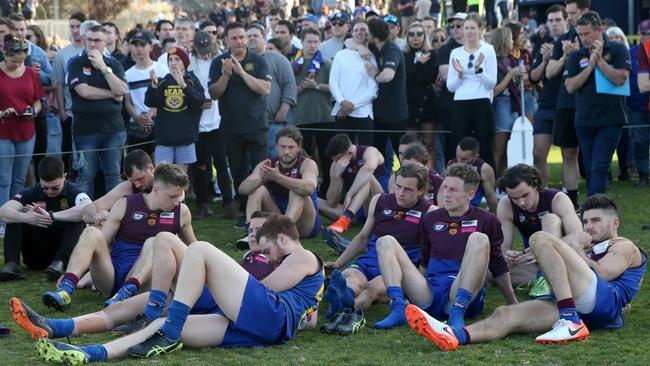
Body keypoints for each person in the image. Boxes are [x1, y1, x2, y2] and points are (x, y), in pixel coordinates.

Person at [33, 215, 324, 362]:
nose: (268, 257)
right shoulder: (297, 266)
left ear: (283, 239)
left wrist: (218, 282)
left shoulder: (304, 256)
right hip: (257, 327)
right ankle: (90, 354)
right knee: (160, 324)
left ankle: (169, 325)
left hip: (269, 316)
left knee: (200, 249)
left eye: (269, 249)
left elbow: (267, 289)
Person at [406, 194, 646, 349]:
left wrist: (575, 246)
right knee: (504, 314)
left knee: (541, 237)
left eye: (596, 221)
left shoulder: (624, 246)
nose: (589, 226)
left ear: (615, 223)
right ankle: (455, 335)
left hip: (599, 304)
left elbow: (601, 274)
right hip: (568, 303)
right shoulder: (589, 245)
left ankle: (570, 320)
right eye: (585, 221)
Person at [10, 211, 275, 341]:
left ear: (277, 237)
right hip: (189, 292)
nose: (253, 233)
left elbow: (282, 300)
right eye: (250, 229)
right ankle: (55, 326)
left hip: (213, 304)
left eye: (259, 230)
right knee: (117, 311)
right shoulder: (247, 257)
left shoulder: (278, 261)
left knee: (164, 239)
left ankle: (153, 311)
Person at [372, 163, 516, 329]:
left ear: (470, 194)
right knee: (385, 241)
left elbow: (497, 264)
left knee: (478, 239)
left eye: (453, 190)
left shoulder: (487, 219)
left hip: (461, 291)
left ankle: (458, 312)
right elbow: (424, 260)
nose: (446, 194)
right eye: (445, 187)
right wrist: (411, 293)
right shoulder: (430, 218)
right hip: (431, 292)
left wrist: (513, 302)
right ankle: (397, 309)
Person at [40, 164, 196, 311]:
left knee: (156, 241)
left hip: (145, 282)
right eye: (172, 196)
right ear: (156, 189)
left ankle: (125, 294)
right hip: (111, 278)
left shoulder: (182, 212)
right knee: (92, 233)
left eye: (180, 196)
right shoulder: (125, 204)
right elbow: (101, 242)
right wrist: (80, 273)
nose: (177, 201)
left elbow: (195, 250)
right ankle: (65, 290)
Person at [322, 164, 433, 334]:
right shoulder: (379, 200)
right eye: (398, 186)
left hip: (394, 270)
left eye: (408, 189)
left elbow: (431, 252)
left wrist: (420, 280)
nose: (401, 192)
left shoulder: (429, 212)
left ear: (421, 191)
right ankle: (342, 297)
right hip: (368, 261)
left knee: (369, 290)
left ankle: (344, 312)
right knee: (349, 278)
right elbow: (363, 237)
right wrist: (338, 263)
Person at [209, 22, 272, 223]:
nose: (239, 42)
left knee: (260, 171)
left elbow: (265, 89)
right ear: (226, 40)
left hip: (256, 126)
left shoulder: (258, 61)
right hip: (231, 128)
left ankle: (262, 212)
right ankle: (245, 212)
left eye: (242, 37)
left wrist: (242, 73)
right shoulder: (218, 62)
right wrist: (226, 75)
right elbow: (214, 94)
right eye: (235, 38)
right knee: (238, 173)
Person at [565, 12, 630, 197]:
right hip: (584, 120)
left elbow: (620, 79)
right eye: (580, 34)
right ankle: (596, 206)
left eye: (587, 33)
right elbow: (570, 86)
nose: (583, 38)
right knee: (589, 165)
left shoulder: (618, 49)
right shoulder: (576, 56)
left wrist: (599, 61)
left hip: (611, 118)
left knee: (599, 165)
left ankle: (593, 207)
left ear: (599, 30)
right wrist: (590, 67)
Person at [0, 157, 90, 281]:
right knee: (13, 217)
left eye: (55, 188)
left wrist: (52, 216)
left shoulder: (75, 192)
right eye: (45, 187)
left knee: (77, 219)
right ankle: (12, 264)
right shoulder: (32, 192)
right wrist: (26, 217)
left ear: (64, 176)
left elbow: (87, 209)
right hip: (36, 255)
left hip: (63, 252)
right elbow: (3, 211)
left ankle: (60, 264)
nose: (49, 191)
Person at [496, 164, 582, 293]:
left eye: (525, 195)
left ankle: (549, 279)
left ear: (536, 185)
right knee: (491, 270)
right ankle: (548, 280)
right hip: (532, 259)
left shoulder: (557, 199)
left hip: (563, 256)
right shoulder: (505, 204)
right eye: (514, 198)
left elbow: (578, 236)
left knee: (550, 219)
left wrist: (543, 249)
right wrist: (509, 255)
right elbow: (503, 247)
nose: (521, 202)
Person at [67, 24, 128, 198]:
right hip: (86, 131)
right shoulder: (76, 63)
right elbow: (83, 91)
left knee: (113, 176)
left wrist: (103, 67)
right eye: (89, 39)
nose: (93, 44)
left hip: (113, 130)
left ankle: (114, 218)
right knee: (86, 177)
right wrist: (112, 93)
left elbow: (122, 91)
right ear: (85, 40)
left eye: (97, 40)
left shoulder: (113, 64)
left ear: (106, 42)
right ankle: (84, 219)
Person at [546, 0, 591, 208]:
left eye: (573, 13)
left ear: (585, 11)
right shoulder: (563, 40)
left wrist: (581, 51)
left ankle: (594, 198)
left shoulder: (594, 37)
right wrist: (565, 55)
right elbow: (549, 72)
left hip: (590, 102)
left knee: (591, 153)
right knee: (568, 153)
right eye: (569, 13)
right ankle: (572, 202)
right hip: (565, 102)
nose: (570, 16)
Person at [239, 126, 321, 239]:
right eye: (283, 147)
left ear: (298, 147)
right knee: (257, 189)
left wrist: (278, 178)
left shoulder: (308, 164)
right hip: (278, 215)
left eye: (291, 147)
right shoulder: (267, 164)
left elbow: (309, 188)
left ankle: (283, 231)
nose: (286, 151)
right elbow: (242, 189)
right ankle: (251, 233)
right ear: (276, 147)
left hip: (305, 223)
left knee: (298, 190)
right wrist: (262, 179)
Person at [188, 30, 236, 219]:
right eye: (201, 49)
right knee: (200, 165)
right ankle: (203, 203)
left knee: (222, 164)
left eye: (207, 48)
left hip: (217, 121)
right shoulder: (190, 64)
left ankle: (228, 203)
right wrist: (197, 101)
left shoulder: (220, 60)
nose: (204, 52)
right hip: (197, 122)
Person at [0, 35, 44, 232]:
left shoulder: (29, 73)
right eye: (13, 61)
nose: (17, 65)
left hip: (27, 132)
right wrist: (2, 113)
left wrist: (32, 111)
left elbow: (38, 100)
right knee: (3, 179)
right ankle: (2, 220)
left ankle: (16, 219)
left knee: (20, 178)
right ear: (4, 54)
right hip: (4, 132)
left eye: (21, 61)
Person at [446, 13, 497, 170]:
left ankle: (489, 186)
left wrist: (478, 70)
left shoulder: (488, 50)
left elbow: (491, 83)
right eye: (466, 28)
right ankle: (460, 183)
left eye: (472, 28)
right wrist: (460, 74)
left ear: (479, 29)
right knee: (460, 146)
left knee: (485, 146)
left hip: (482, 102)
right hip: (461, 103)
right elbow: (451, 86)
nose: (469, 31)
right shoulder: (456, 53)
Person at [291, 27, 335, 199]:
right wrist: (302, 88)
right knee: (304, 158)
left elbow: (335, 89)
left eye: (316, 42)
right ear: (301, 42)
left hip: (325, 117)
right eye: (309, 41)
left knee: (327, 158)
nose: (313, 45)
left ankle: (326, 193)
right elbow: (289, 92)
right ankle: (305, 191)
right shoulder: (294, 65)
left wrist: (315, 85)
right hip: (301, 118)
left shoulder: (327, 63)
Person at [145, 45, 205, 172]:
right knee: (163, 175)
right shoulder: (162, 82)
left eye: (177, 59)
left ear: (185, 62)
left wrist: (183, 85)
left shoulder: (192, 81)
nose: (173, 63)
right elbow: (150, 102)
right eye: (170, 59)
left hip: (186, 138)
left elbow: (199, 101)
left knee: (181, 177)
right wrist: (153, 87)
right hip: (164, 138)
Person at [530, 5, 568, 185]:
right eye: (551, 21)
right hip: (546, 103)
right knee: (538, 153)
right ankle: (542, 194)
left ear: (566, 20)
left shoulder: (573, 41)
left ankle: (570, 193)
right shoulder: (543, 46)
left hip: (569, 101)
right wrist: (545, 60)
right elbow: (534, 77)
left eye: (558, 20)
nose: (554, 24)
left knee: (568, 153)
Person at [246, 23, 296, 158]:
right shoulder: (242, 60)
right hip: (248, 123)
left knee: (276, 158)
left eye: (255, 35)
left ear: (264, 38)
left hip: (274, 121)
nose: (252, 38)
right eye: (249, 36)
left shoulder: (278, 59)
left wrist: (283, 110)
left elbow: (289, 85)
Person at [320, 133, 387, 234]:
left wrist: (349, 194)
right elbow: (331, 203)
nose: (336, 162)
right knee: (314, 199)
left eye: (338, 159)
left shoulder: (370, 151)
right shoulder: (336, 164)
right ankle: (346, 218)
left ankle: (346, 219)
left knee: (368, 177)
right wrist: (336, 177)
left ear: (349, 154)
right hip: (357, 211)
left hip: (380, 206)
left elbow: (369, 168)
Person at [329, 19, 378, 146]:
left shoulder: (372, 56)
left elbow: (373, 89)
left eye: (363, 29)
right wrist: (342, 102)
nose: (359, 33)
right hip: (341, 113)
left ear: (369, 33)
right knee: (342, 154)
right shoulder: (340, 54)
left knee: (365, 154)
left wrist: (350, 106)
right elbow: (333, 82)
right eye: (356, 30)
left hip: (364, 114)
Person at [124, 30, 169, 158]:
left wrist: (150, 114)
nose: (139, 49)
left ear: (151, 46)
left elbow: (165, 96)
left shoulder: (161, 69)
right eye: (135, 45)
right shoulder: (128, 74)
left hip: (159, 124)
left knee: (160, 164)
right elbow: (128, 102)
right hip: (136, 127)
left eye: (142, 45)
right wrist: (138, 118)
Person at [81, 149, 154, 226]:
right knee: (96, 225)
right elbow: (88, 209)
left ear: (151, 169)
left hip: (157, 233)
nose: (137, 185)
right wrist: (100, 216)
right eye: (133, 181)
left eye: (140, 179)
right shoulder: (128, 186)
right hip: (131, 234)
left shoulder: (166, 183)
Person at [51, 12, 86, 171]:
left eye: (78, 26)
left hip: (91, 113)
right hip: (70, 113)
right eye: (72, 26)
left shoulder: (92, 51)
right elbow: (58, 84)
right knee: (71, 153)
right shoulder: (62, 54)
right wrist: (62, 110)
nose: (75, 30)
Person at [491, 26, 526, 178]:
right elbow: (495, 90)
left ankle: (503, 183)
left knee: (508, 149)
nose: (513, 41)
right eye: (511, 38)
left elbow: (512, 85)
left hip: (513, 104)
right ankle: (493, 185)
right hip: (501, 105)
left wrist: (518, 79)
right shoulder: (493, 61)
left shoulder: (511, 59)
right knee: (498, 149)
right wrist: (511, 74)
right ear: (504, 40)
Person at [403, 21, 438, 164]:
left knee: (429, 144)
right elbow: (406, 78)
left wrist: (416, 69)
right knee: (410, 146)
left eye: (419, 34)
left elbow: (430, 78)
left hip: (427, 104)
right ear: (407, 37)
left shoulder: (432, 53)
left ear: (424, 36)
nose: (415, 37)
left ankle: (431, 179)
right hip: (409, 104)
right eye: (411, 34)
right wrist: (419, 64)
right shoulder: (403, 54)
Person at [436, 12, 465, 162]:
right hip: (451, 105)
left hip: (474, 104)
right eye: (452, 26)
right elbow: (448, 77)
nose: (454, 29)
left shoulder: (481, 48)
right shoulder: (445, 50)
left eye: (458, 26)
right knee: (452, 149)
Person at [448, 137, 498, 212]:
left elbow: (490, 197)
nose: (459, 162)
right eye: (458, 157)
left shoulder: (484, 169)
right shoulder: (451, 164)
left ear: (476, 157)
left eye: (464, 159)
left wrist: (497, 218)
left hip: (473, 208)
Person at [631, 20, 650, 188]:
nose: (645, 36)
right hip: (637, 105)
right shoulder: (632, 52)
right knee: (640, 142)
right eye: (643, 33)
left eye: (648, 33)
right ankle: (643, 175)